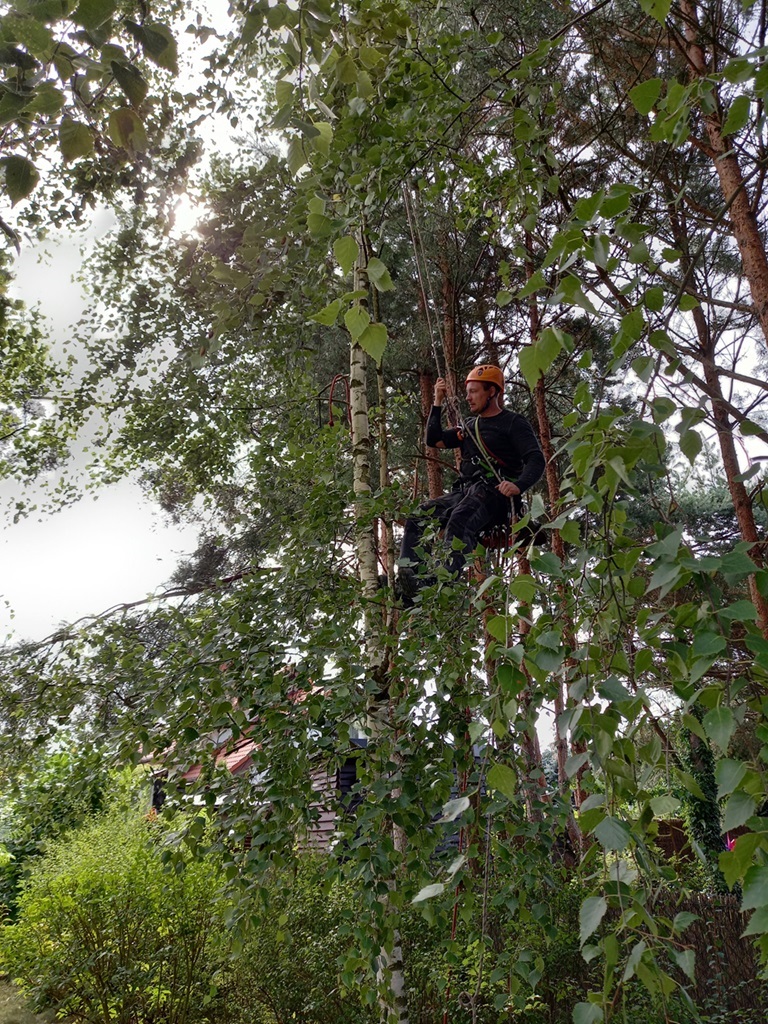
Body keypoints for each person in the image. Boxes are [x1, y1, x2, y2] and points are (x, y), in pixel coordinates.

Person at [397, 364, 545, 599]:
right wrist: (437, 401)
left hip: (495, 495)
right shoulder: (469, 426)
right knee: (420, 515)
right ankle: (409, 579)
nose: (468, 398)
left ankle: (442, 581)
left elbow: (536, 459)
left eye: (474, 391)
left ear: (492, 392)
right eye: (468, 392)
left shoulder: (512, 423)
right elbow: (433, 440)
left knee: (460, 518)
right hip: (467, 492)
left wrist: (518, 486)